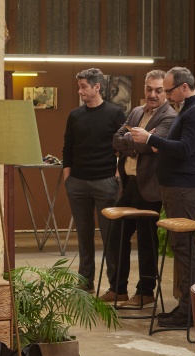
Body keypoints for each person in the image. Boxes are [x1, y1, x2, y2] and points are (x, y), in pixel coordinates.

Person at [130, 67, 195, 328]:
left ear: (184, 87)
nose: (166, 95)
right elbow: (178, 146)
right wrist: (159, 145)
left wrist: (151, 138)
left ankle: (190, 312)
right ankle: (185, 307)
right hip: (176, 188)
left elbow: (186, 149)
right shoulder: (188, 109)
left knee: (185, 248)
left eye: (168, 90)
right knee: (180, 247)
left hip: (183, 189)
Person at [101, 70, 177, 307]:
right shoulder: (136, 112)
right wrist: (136, 140)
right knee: (117, 236)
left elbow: (150, 145)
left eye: (158, 90)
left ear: (166, 92)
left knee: (146, 240)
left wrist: (136, 141)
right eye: (149, 89)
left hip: (150, 187)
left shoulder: (169, 116)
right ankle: (118, 289)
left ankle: (145, 292)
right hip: (129, 185)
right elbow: (116, 139)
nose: (152, 94)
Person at [62, 68, 126, 292]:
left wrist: (116, 176)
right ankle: (85, 281)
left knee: (110, 237)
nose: (79, 91)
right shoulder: (75, 115)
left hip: (105, 182)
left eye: (83, 87)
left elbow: (124, 148)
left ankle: (115, 288)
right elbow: (68, 147)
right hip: (77, 183)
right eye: (79, 87)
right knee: (83, 235)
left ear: (97, 87)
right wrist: (68, 178)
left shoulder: (115, 113)